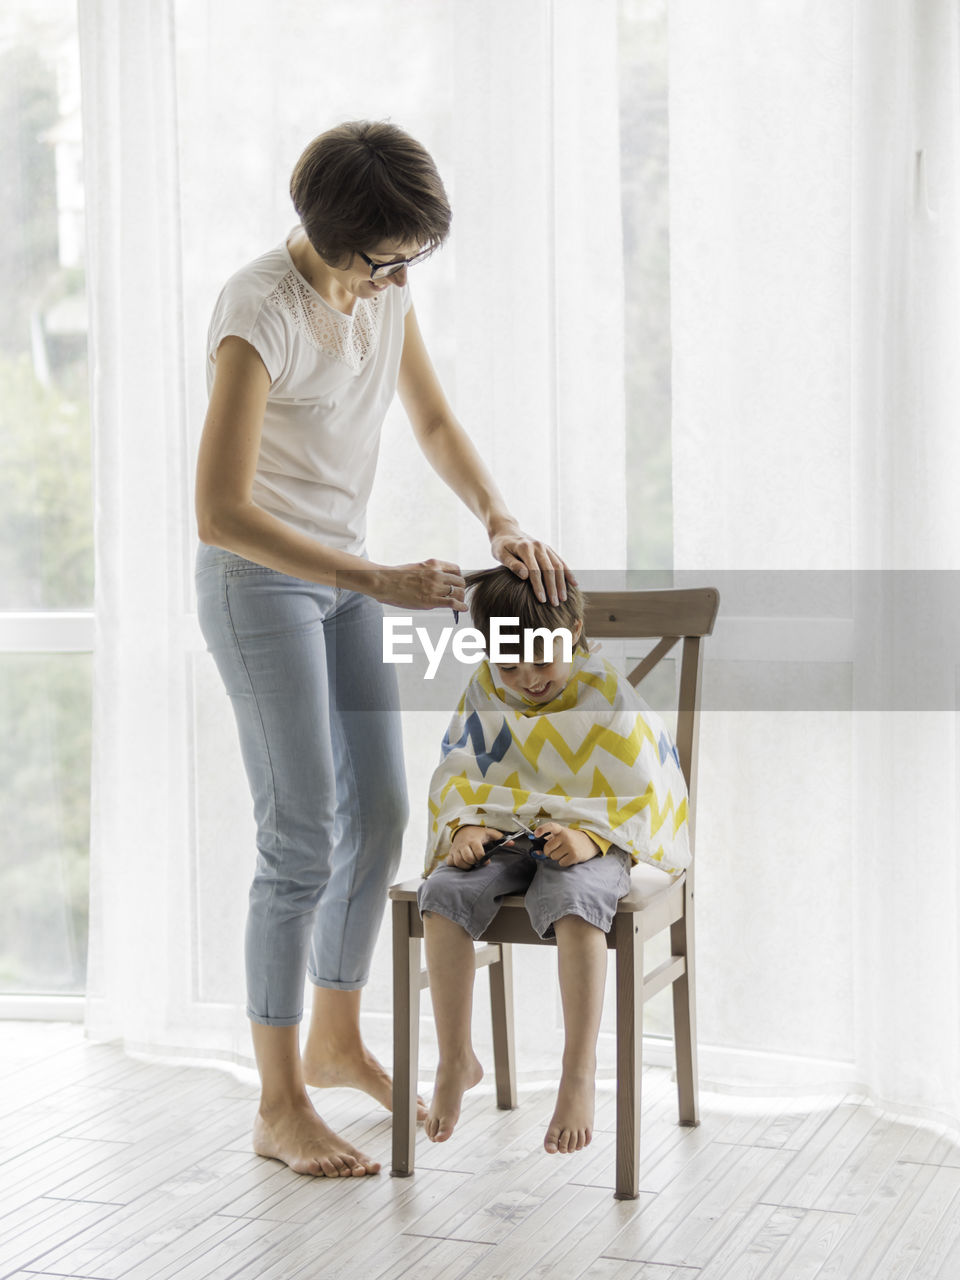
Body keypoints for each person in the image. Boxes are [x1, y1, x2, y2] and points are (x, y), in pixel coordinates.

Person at [194, 121, 570, 1179]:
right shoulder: (259, 311)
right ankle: (278, 1100)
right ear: (331, 237)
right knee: (301, 834)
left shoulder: (387, 292)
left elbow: (434, 420)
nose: (399, 278)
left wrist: (496, 514)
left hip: (345, 580)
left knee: (386, 815)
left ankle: (337, 1035)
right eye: (385, 260)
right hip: (259, 581)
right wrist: (379, 581)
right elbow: (217, 508)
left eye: (411, 260)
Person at [418, 567, 691, 1156]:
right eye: (509, 666)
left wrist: (593, 839)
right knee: (442, 896)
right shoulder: (486, 686)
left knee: (573, 901)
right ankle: (455, 1057)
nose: (527, 681)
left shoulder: (606, 693)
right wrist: (465, 823)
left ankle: (577, 1070)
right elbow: (461, 762)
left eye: (542, 662)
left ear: (574, 632)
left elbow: (643, 785)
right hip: (503, 827)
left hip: (591, 835)